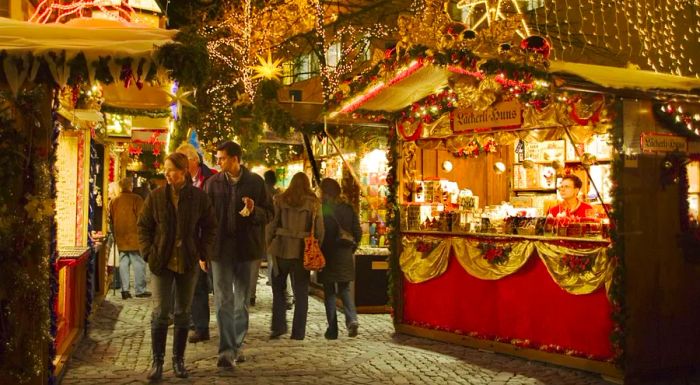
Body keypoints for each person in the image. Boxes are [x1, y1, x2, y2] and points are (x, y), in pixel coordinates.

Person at [137, 152, 218, 380]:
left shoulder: (198, 198)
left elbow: (211, 226)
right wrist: (148, 253)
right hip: (161, 262)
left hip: (187, 262)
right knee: (161, 311)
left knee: (183, 312)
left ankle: (178, 360)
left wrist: (202, 251)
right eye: (165, 168)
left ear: (183, 172)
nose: (167, 173)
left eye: (171, 169)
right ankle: (157, 361)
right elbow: (143, 226)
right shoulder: (155, 197)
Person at [204, 140, 273, 368]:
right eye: (218, 158)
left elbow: (270, 214)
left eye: (222, 158)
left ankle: (237, 344)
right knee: (223, 300)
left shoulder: (255, 182)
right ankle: (226, 351)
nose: (218, 162)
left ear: (235, 159)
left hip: (246, 250)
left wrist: (255, 211)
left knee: (241, 301)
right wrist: (202, 251)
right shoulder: (212, 184)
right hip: (220, 250)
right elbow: (204, 219)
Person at [267, 172, 324, 340]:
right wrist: (315, 246)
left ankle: (278, 326)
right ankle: (298, 333)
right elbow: (320, 231)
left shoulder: (280, 199)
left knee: (278, 289)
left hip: (281, 250)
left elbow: (271, 224)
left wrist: (269, 244)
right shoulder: (314, 203)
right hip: (302, 252)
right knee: (301, 294)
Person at [176, 143, 217, 344]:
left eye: (182, 160)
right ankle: (192, 320)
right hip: (185, 240)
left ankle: (201, 326)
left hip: (204, 240)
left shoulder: (212, 179)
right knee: (187, 283)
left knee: (200, 284)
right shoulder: (180, 181)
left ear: (193, 160)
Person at [318, 178, 362, 339]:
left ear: (326, 193)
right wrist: (351, 248)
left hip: (328, 254)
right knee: (344, 289)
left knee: (329, 292)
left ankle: (332, 329)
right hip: (344, 254)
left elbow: (321, 233)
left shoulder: (324, 209)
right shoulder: (348, 209)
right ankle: (352, 320)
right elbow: (358, 233)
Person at [108, 177, 150, 299]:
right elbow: (142, 217)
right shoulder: (136, 199)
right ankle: (139, 289)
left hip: (120, 236)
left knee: (123, 262)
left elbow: (110, 218)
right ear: (130, 186)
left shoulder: (115, 201)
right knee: (138, 262)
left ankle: (125, 290)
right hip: (135, 236)